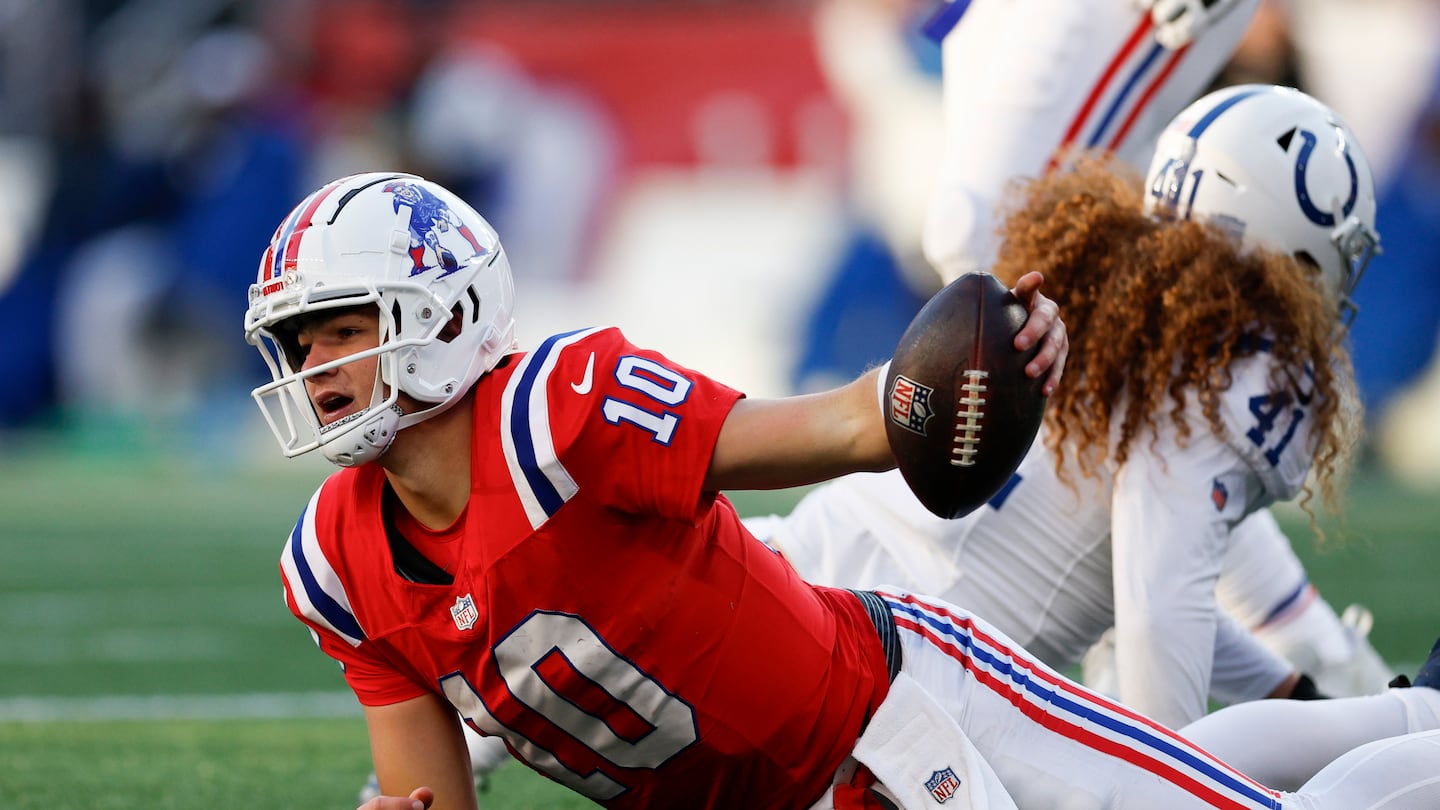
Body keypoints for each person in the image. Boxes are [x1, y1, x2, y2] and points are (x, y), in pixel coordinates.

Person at [248, 171, 1440, 810]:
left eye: (340, 334)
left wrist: (978, 370)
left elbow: (840, 427)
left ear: (445, 319)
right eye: (299, 350)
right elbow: (424, 798)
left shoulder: (561, 409)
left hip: (903, 705)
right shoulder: (335, 564)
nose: (315, 374)